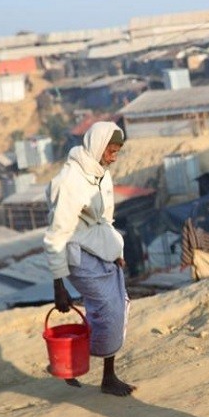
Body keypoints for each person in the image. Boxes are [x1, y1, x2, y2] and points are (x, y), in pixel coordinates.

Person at [43, 120, 136, 397]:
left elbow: (106, 218)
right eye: (111, 150)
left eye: (117, 151)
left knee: (118, 306)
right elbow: (56, 236)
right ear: (98, 146)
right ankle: (71, 366)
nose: (114, 156)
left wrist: (116, 252)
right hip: (77, 253)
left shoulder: (100, 173)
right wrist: (58, 286)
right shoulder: (70, 181)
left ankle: (104, 374)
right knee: (107, 308)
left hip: (100, 248)